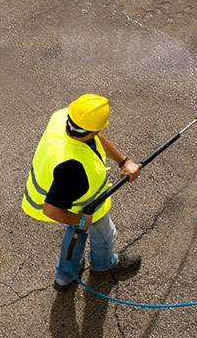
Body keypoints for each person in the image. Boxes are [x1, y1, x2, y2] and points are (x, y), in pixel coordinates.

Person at [22, 94, 142, 291]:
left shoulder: (63, 117)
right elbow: (51, 210)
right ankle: (104, 264)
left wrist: (123, 161)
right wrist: (79, 220)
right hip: (81, 206)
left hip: (69, 197)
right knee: (103, 234)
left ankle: (64, 277)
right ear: (91, 131)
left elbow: (95, 137)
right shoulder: (72, 168)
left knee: (76, 235)